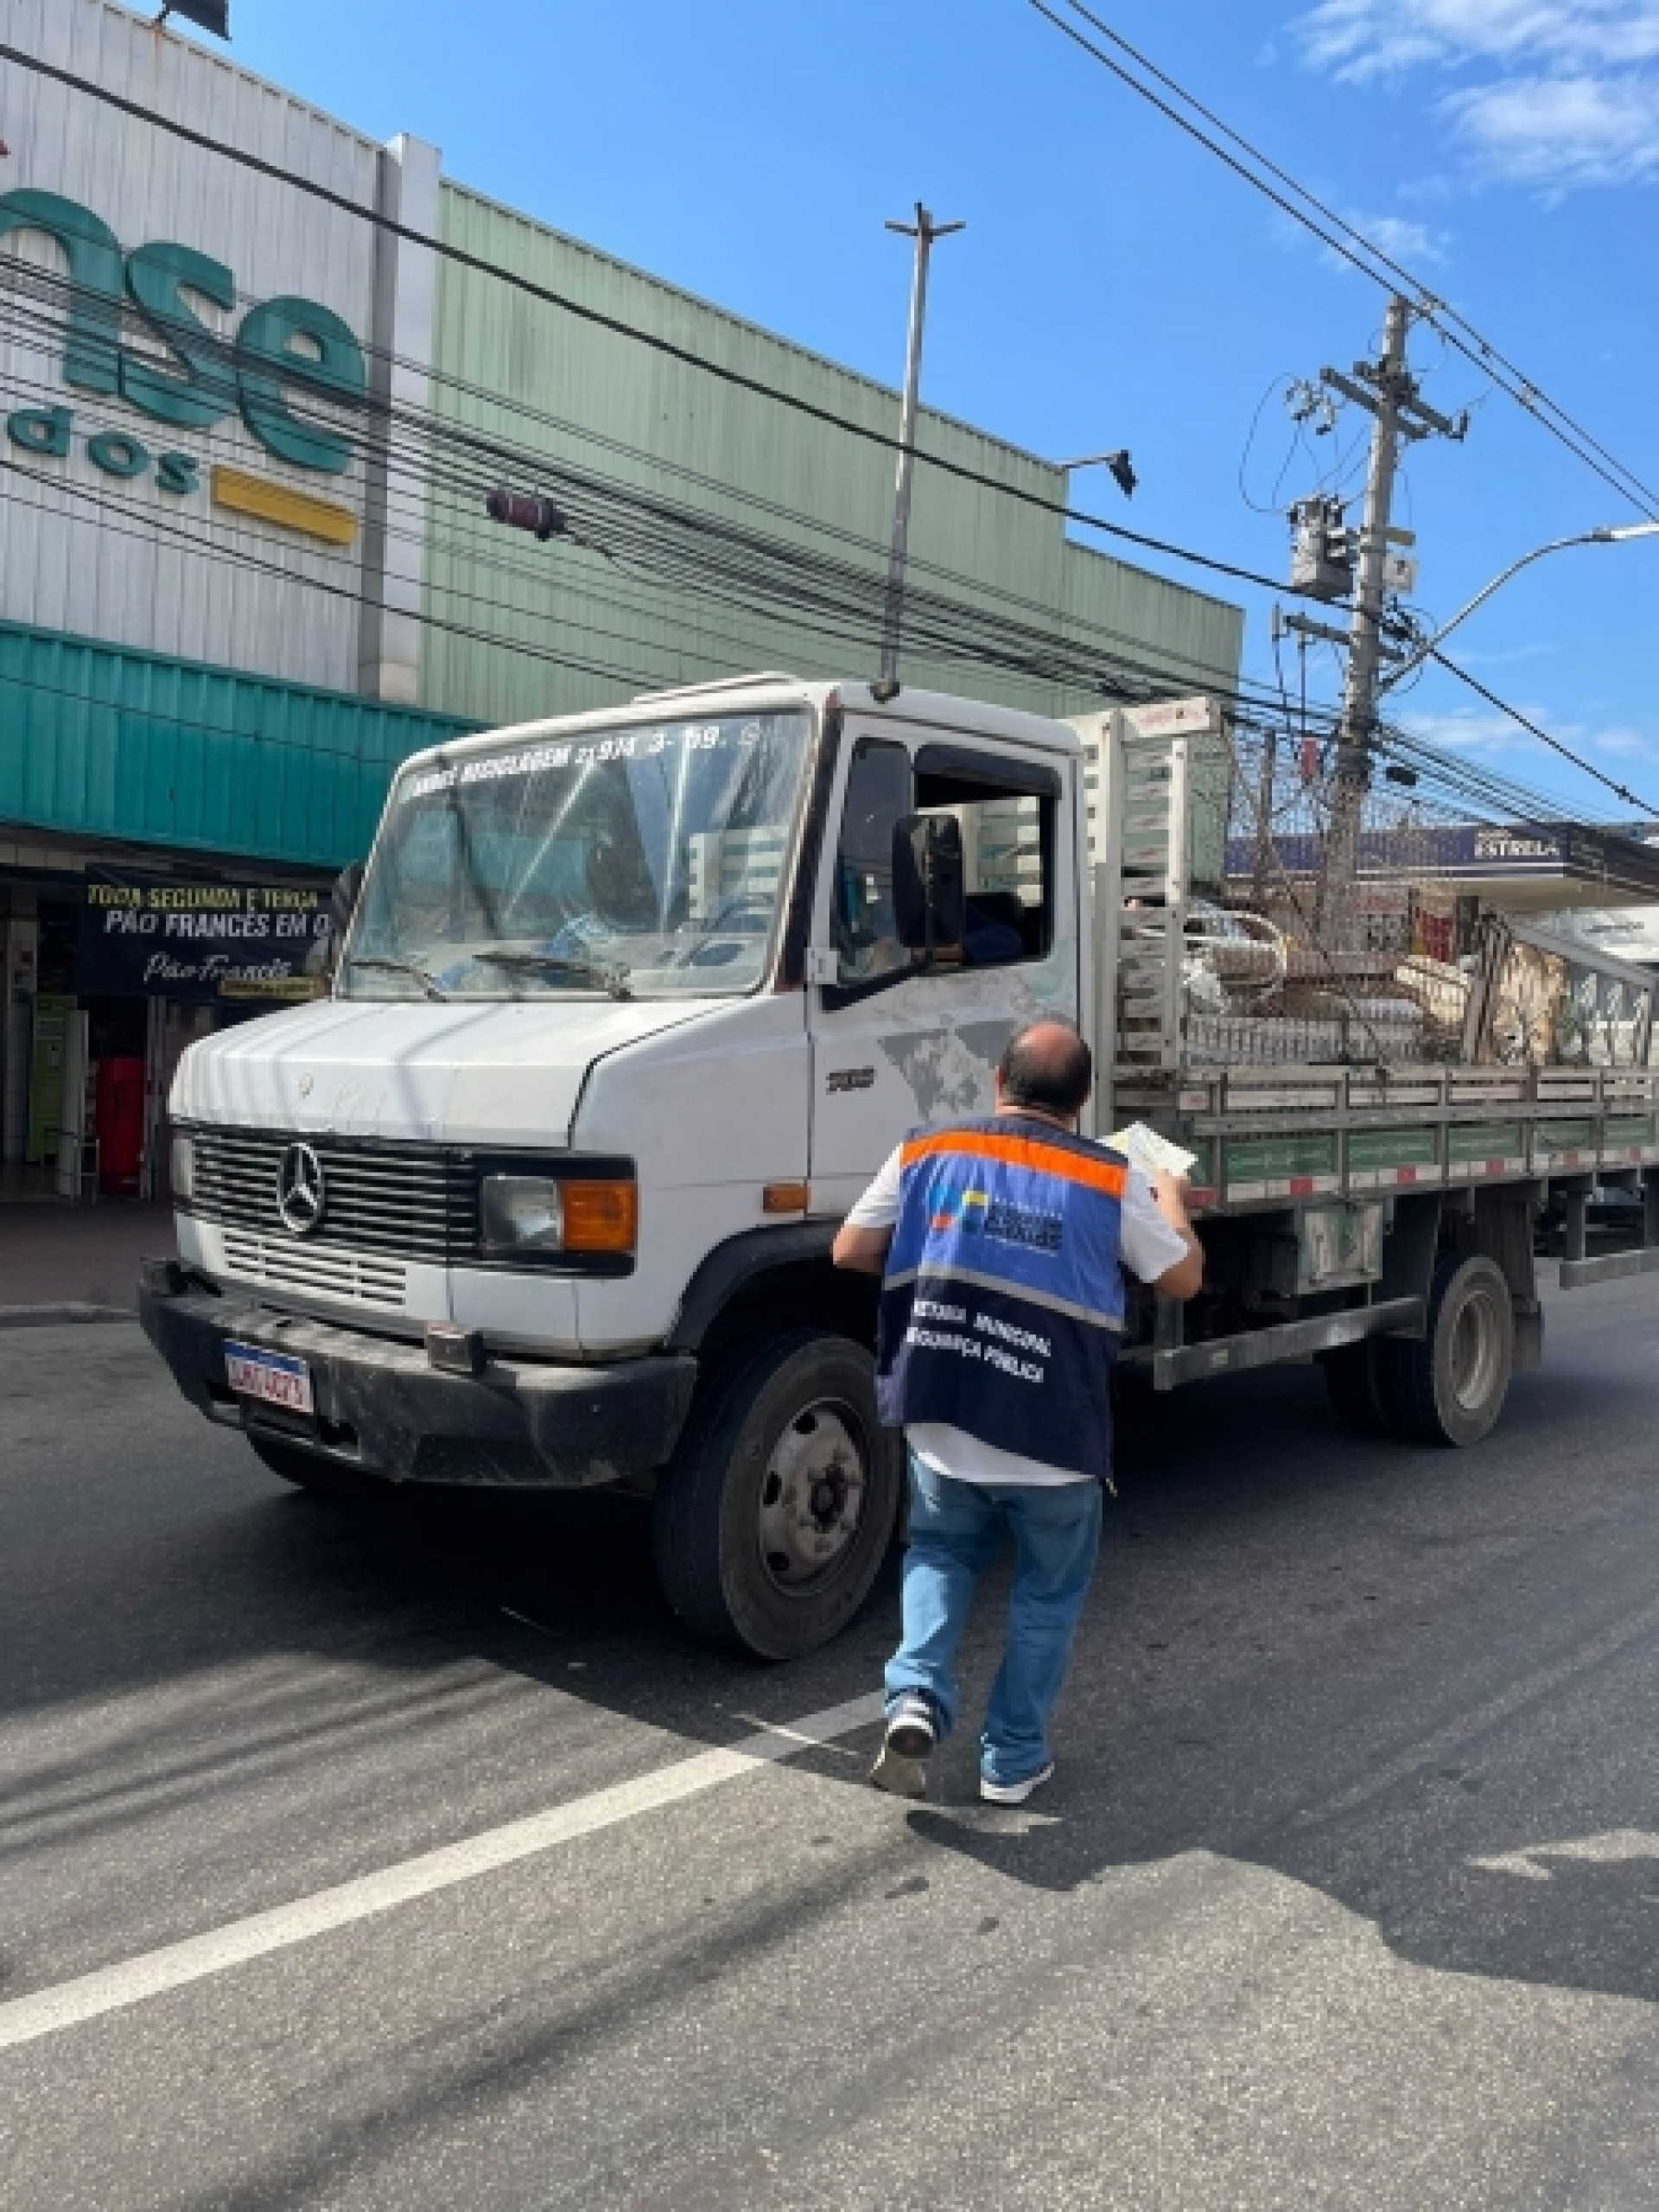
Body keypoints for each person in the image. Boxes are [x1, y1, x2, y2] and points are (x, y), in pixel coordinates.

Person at [832, 1020, 1202, 1804]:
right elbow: (1181, 1279)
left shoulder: (926, 1150)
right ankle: (1012, 1760)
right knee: (1044, 1594)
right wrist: (1169, 1196)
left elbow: (850, 1251)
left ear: (998, 1083)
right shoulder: (1111, 1179)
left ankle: (916, 1700)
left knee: (938, 1556)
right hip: (1053, 1434)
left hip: (945, 1418)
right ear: (1084, 1100)